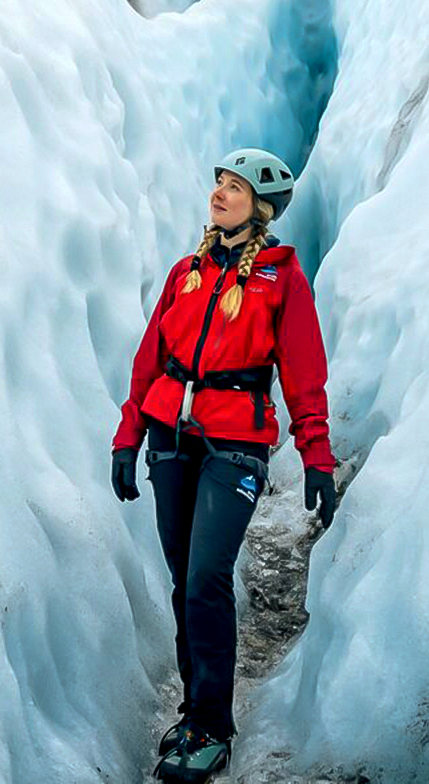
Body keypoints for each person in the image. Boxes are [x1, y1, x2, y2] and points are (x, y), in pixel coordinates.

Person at [109, 147, 338, 783]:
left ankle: (213, 725)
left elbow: (303, 372)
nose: (221, 194)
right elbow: (148, 359)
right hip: (171, 438)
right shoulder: (186, 271)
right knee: (185, 578)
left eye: (235, 188)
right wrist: (128, 439)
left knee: (208, 574)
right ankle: (192, 711)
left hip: (237, 443)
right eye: (220, 184)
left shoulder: (280, 277)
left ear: (260, 208)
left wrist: (316, 455)